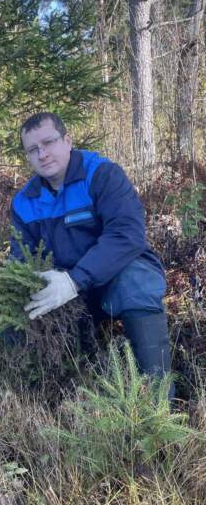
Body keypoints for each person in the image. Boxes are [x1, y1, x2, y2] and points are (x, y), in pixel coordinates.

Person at [10, 112, 172, 389]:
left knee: (136, 280)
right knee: (21, 310)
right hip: (67, 289)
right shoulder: (25, 202)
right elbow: (21, 258)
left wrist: (75, 280)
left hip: (113, 278)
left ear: (68, 140)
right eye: (33, 150)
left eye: (48, 143)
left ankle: (158, 399)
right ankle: (62, 391)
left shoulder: (101, 174)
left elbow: (127, 235)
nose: (42, 154)